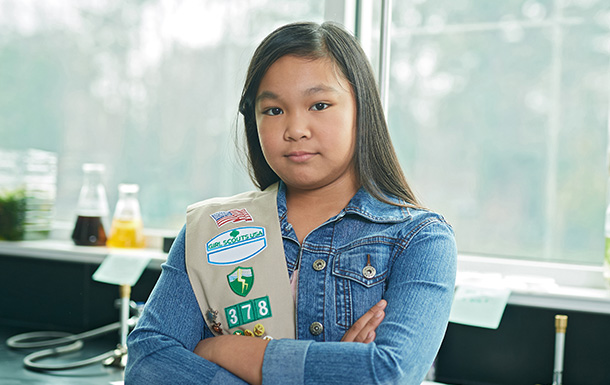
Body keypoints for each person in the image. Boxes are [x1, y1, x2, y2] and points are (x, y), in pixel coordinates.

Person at [125, 21, 457, 385]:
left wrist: (226, 351)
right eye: (273, 110)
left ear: (362, 111)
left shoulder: (421, 239)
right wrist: (331, 370)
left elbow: (385, 372)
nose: (296, 129)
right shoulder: (208, 229)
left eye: (319, 104)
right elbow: (147, 366)